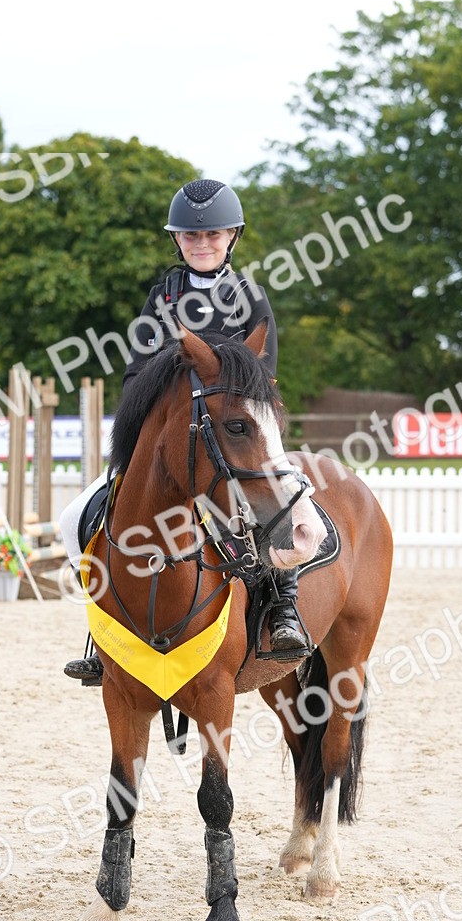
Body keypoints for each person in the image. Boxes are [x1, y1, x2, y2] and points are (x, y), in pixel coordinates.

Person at [61, 179, 308, 686]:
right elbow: (136, 376)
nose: (202, 244)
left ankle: (284, 607)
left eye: (212, 235)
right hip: (173, 442)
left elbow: (262, 383)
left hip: (235, 440)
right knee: (74, 519)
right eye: (191, 237)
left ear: (232, 237)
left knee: (275, 509)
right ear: (177, 240)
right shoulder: (162, 298)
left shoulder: (251, 299)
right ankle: (99, 635)